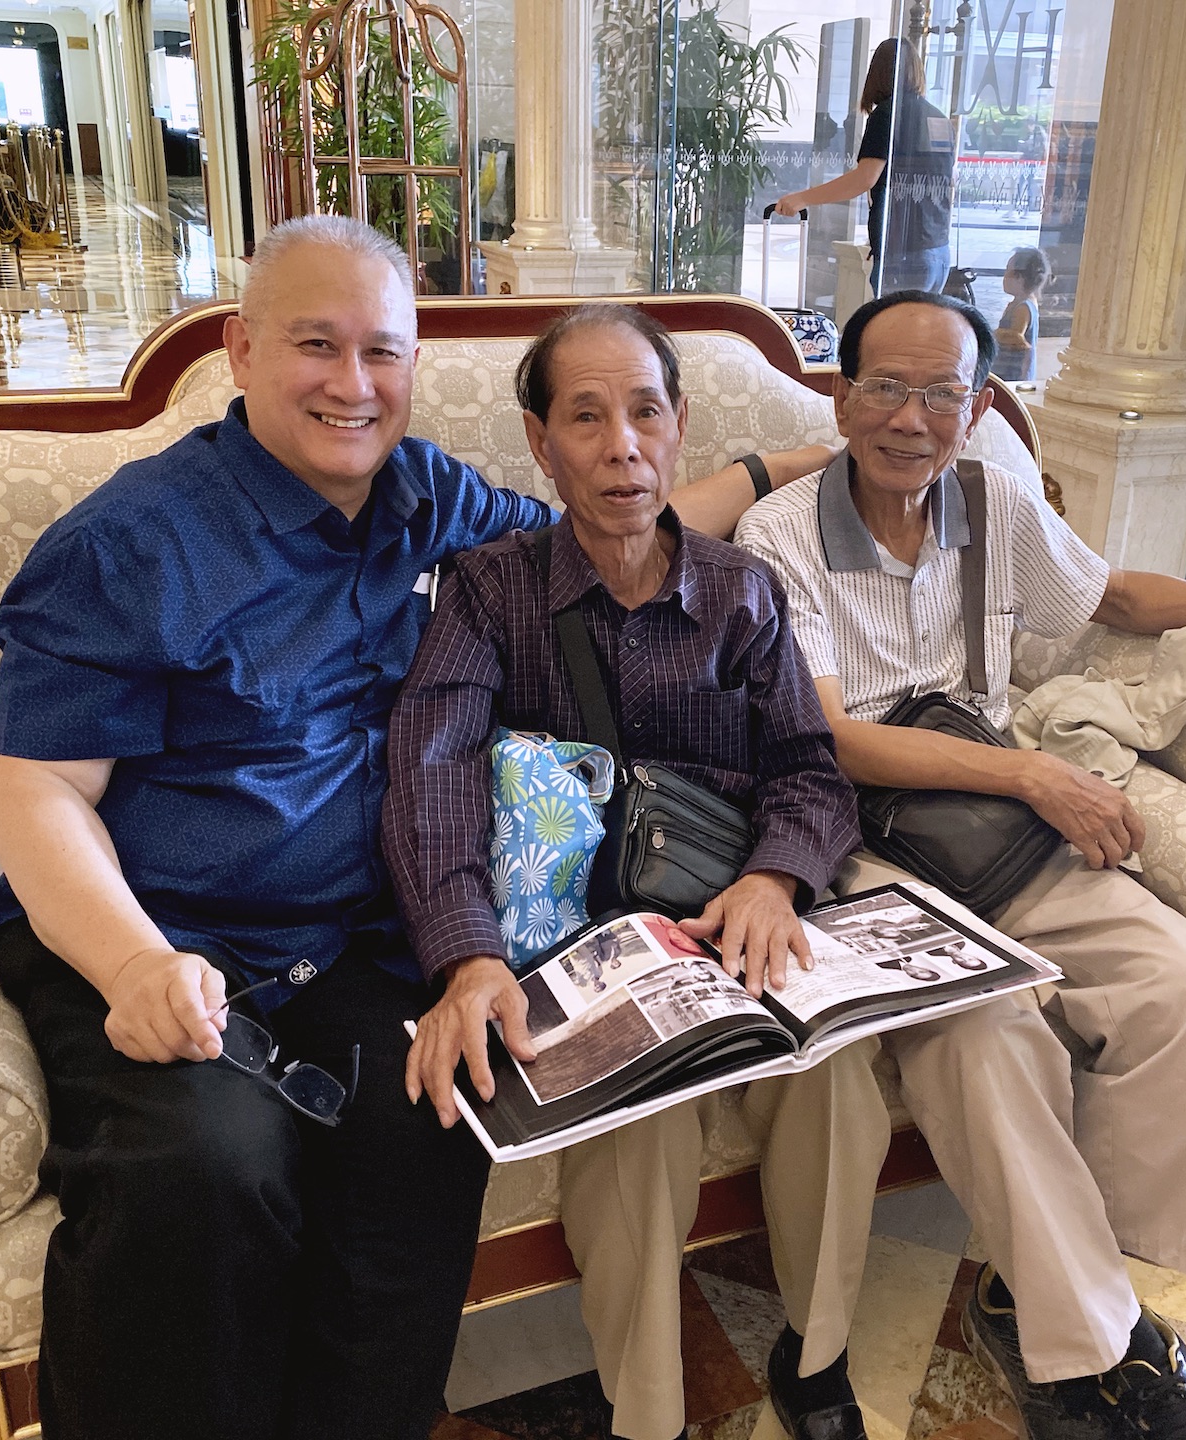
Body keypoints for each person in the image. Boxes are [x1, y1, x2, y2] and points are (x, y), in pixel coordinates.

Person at [0, 216, 833, 1440]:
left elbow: (617, 512)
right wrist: (131, 962)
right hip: (173, 940)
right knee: (208, 1172)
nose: (354, 385)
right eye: (318, 345)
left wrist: (802, 459)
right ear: (240, 350)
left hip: (367, 946)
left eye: (384, 350)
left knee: (433, 1125)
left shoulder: (442, 505)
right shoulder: (130, 544)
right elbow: (36, 789)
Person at [736, 289, 1186, 1440]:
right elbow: (834, 736)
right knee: (982, 1031)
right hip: (861, 835)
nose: (912, 417)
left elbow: (1112, 596)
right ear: (840, 396)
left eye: (943, 391)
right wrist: (1033, 777)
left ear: (980, 403)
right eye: (886, 388)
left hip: (996, 829)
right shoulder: (780, 535)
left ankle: (1029, 1292)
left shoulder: (994, 503)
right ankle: (1099, 1351)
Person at [387, 304, 886, 1440]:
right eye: (587, 417)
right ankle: (647, 1416)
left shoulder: (739, 592)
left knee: (836, 1077)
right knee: (638, 1115)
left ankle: (817, 1362)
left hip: (727, 915)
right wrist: (466, 956)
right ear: (540, 441)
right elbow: (434, 771)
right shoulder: (486, 592)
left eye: (646, 413)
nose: (623, 446)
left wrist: (773, 879)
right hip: (580, 938)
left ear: (680, 426)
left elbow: (810, 768)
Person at [772, 37, 955, 294]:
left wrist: (802, 198)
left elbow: (865, 178)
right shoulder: (938, 118)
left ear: (877, 73)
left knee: (892, 330)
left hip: (903, 252)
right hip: (937, 250)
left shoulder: (887, 114)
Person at [994, 246, 1047, 384]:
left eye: (1008, 271)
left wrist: (992, 334)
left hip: (1014, 374)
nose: (1004, 277)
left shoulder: (1022, 308)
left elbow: (1017, 337)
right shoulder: (1024, 302)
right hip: (1009, 371)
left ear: (1020, 278)